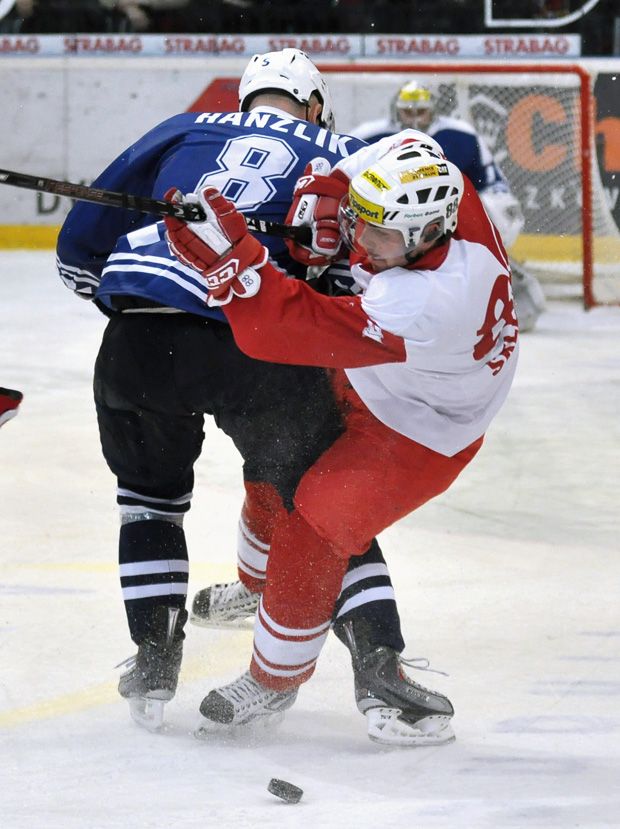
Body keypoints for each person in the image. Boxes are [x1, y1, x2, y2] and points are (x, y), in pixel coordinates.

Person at [55, 49, 424, 737]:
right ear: (313, 106)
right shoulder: (344, 153)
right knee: (323, 511)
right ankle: (382, 672)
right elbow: (361, 275)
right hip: (260, 338)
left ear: (247, 96)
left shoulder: (185, 128)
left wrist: (144, 300)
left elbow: (77, 247)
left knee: (148, 504)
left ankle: (154, 659)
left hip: (141, 335)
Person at [163, 133, 520, 745]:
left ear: (427, 234)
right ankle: (259, 590)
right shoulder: (448, 198)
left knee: (315, 528)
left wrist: (237, 264)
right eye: (362, 223)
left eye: (379, 236)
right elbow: (412, 141)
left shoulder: (423, 301)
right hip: (386, 377)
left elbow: (280, 328)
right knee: (272, 461)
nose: (361, 243)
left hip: (417, 434)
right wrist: (329, 193)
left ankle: (274, 680)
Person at [352, 79, 546, 332]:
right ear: (395, 110)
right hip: (390, 222)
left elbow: (491, 181)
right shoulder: (370, 135)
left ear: (432, 111)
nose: (414, 119)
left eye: (420, 112)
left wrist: (493, 221)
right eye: (407, 112)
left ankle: (494, 281)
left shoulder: (461, 135)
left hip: (448, 219)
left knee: (494, 209)